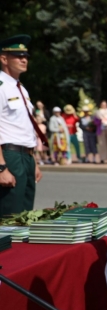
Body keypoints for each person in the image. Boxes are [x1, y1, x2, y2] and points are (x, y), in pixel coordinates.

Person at [0, 34, 45, 216]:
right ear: (3, 58)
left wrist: (33, 161)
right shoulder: (1, 87)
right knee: (9, 218)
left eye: (25, 56)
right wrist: (1, 167)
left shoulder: (20, 88)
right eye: (18, 56)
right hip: (9, 156)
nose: (24, 59)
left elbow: (24, 127)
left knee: (25, 217)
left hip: (25, 157)